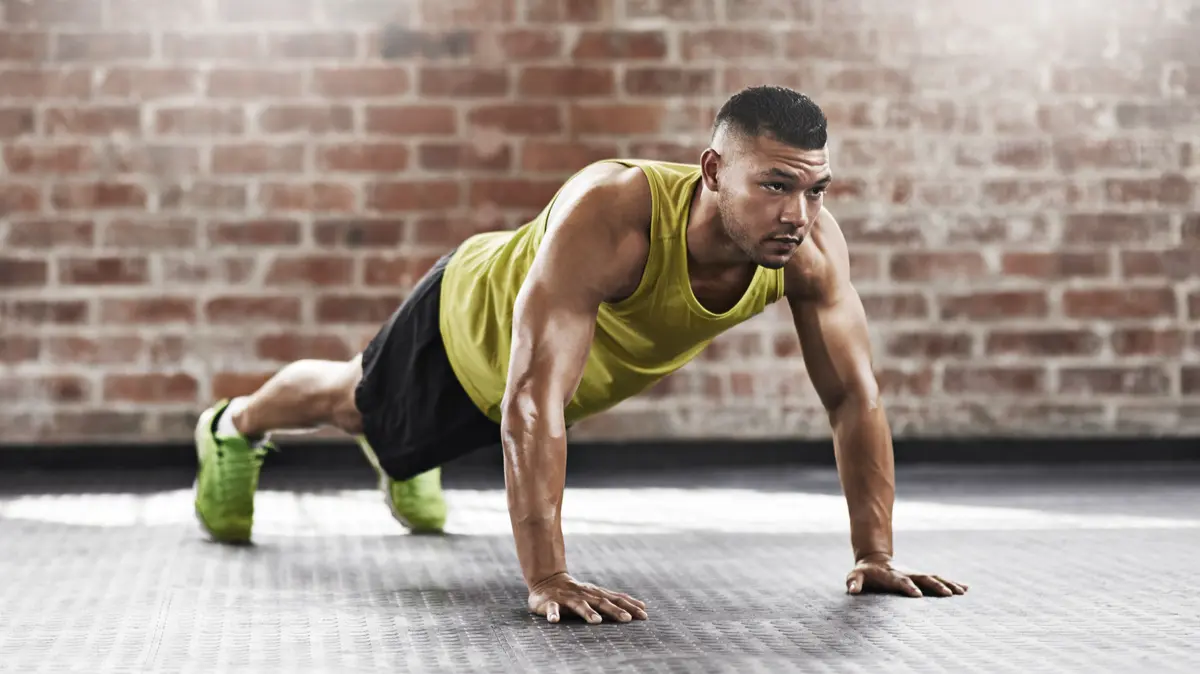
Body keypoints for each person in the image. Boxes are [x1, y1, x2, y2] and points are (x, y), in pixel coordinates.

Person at [191, 85, 968, 625]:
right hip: (471, 329)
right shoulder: (615, 209)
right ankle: (234, 425)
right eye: (774, 186)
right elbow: (530, 398)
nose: (798, 214)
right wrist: (547, 576)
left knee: (409, 445)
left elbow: (853, 398)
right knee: (357, 406)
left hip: (544, 392)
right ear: (712, 171)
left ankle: (412, 463)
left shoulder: (808, 250)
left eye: (816, 189)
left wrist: (875, 553)